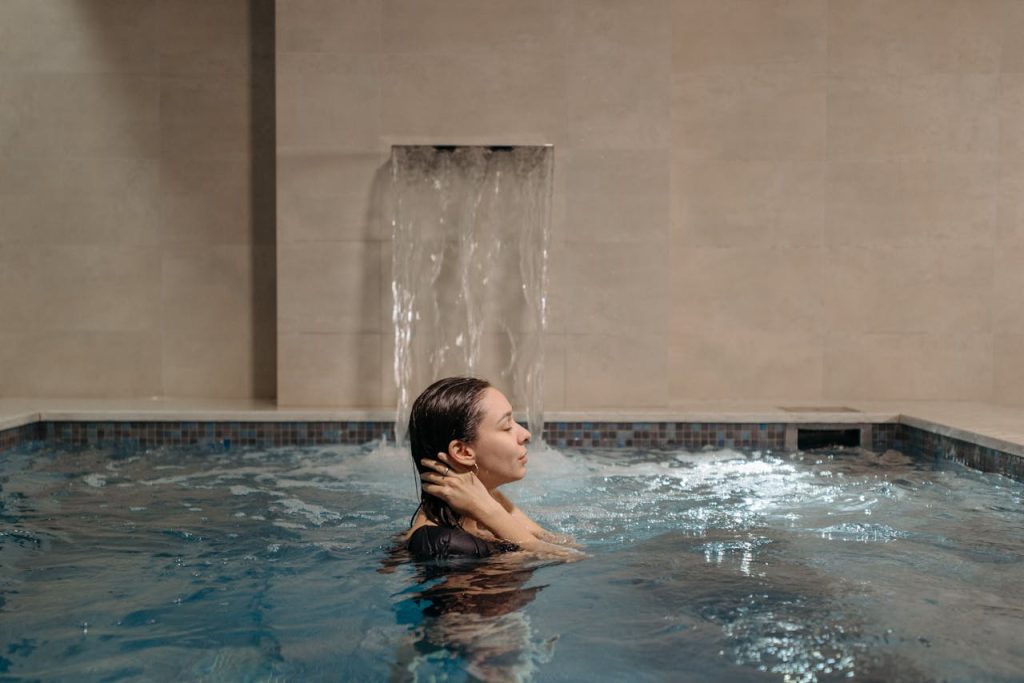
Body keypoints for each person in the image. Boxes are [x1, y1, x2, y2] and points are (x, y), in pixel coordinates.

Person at [403, 376, 579, 560]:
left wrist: (490, 507)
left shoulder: (478, 502)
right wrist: (490, 512)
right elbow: (570, 558)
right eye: (506, 427)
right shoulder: (443, 544)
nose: (525, 435)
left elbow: (563, 544)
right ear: (463, 451)